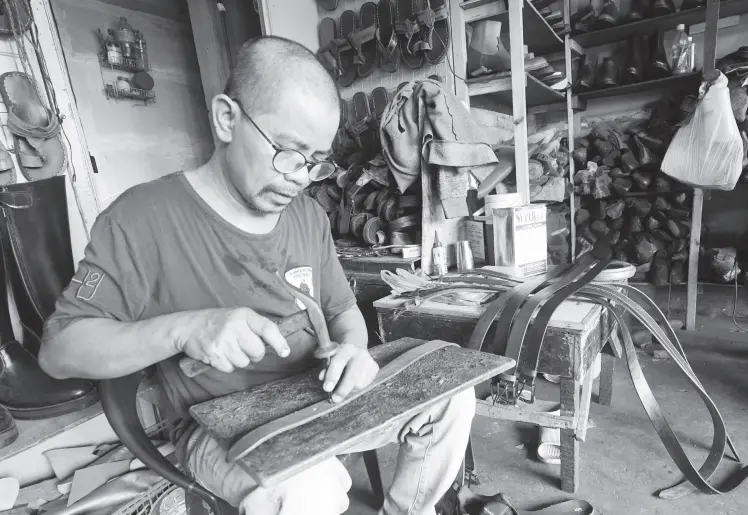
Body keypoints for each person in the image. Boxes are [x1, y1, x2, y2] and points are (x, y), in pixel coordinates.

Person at [39, 36, 475, 515]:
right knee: (310, 487)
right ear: (227, 118)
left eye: (316, 161)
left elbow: (342, 310)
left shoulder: (307, 215)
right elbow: (60, 353)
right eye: (288, 152)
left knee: (453, 395)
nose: (301, 176)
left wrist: (353, 348)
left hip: (318, 399)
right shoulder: (140, 219)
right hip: (219, 427)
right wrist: (185, 329)